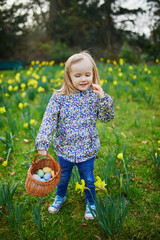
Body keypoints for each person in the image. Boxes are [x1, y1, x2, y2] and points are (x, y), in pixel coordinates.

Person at [35, 51, 115, 220]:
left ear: (93, 73)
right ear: (69, 76)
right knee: (62, 177)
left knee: (89, 179)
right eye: (77, 75)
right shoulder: (59, 98)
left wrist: (103, 97)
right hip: (65, 149)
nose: (83, 79)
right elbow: (48, 120)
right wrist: (43, 142)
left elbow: (106, 118)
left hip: (87, 149)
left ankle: (91, 202)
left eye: (87, 74)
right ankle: (60, 197)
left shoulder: (95, 96)